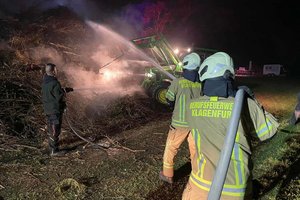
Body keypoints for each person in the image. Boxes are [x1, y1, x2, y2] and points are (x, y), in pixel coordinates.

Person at [182, 52, 279, 199]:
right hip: (233, 190)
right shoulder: (244, 106)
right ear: (229, 76)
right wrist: (252, 100)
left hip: (198, 184)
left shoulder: (191, 106)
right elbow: (269, 132)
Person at [159, 53, 202, 184]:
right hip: (195, 123)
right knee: (195, 150)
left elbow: (169, 98)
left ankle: (167, 175)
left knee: (171, 148)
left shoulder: (177, 82)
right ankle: (197, 172)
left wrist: (173, 104)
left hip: (179, 124)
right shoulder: (199, 85)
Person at [41, 63, 73, 156]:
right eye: (56, 69)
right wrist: (63, 94)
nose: (57, 71)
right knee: (55, 130)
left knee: (52, 129)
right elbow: (58, 97)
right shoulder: (55, 83)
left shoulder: (45, 82)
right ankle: (54, 151)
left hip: (48, 109)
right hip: (54, 110)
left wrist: (64, 90)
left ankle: (53, 148)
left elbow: (52, 93)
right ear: (53, 71)